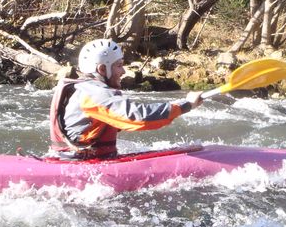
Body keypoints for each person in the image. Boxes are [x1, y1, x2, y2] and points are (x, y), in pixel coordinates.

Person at [49, 39, 203, 159]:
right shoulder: (95, 94)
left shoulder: (86, 88)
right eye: (119, 65)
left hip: (79, 159)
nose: (123, 71)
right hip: (80, 164)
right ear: (102, 69)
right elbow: (139, 118)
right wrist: (185, 105)